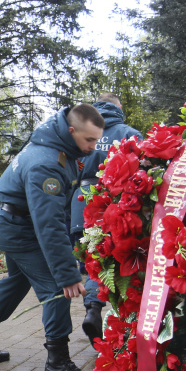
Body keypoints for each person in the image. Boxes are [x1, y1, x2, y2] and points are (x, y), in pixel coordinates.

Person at [0, 104, 104, 371]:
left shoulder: (53, 145)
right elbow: (49, 224)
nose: (92, 148)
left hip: (14, 222)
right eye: (88, 140)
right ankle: (58, 363)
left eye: (96, 140)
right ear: (71, 130)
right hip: (21, 229)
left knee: (16, 282)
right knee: (55, 289)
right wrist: (67, 274)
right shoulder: (47, 163)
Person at [69, 93, 141, 347]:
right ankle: (114, 324)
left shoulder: (80, 133)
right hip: (114, 206)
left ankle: (92, 309)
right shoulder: (128, 133)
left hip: (80, 204)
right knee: (114, 264)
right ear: (118, 108)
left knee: (90, 262)